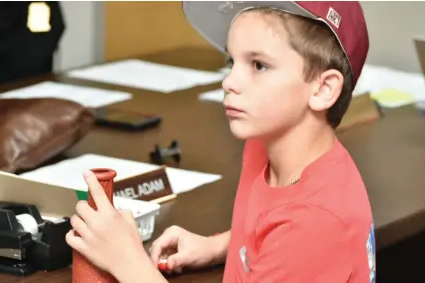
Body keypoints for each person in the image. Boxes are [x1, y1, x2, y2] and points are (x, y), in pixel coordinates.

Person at [65, 1, 376, 283]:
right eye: (231, 62)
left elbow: (297, 238)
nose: (229, 82)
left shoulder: (315, 223)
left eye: (258, 65)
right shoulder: (266, 144)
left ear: (323, 89)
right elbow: (273, 228)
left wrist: (127, 260)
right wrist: (219, 245)